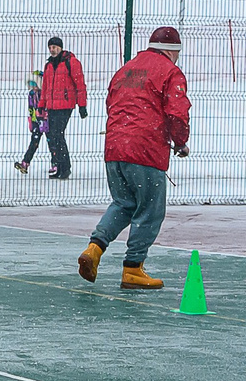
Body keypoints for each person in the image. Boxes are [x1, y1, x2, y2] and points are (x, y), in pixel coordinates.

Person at [78, 25, 189, 289]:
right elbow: (177, 111)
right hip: (145, 149)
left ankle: (94, 248)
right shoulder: (170, 72)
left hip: (115, 147)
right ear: (173, 51)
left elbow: (112, 103)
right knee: (150, 209)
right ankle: (133, 268)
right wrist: (181, 142)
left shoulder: (126, 70)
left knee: (123, 203)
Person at [35, 35, 88, 179]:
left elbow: (80, 85)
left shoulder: (71, 62)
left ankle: (65, 167)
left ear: (60, 47)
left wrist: (82, 105)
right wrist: (41, 105)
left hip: (65, 105)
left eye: (54, 47)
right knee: (54, 136)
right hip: (52, 105)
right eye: (50, 47)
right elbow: (45, 87)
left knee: (57, 135)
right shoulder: (49, 65)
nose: (52, 50)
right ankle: (60, 166)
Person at [13, 72, 47, 171]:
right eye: (31, 84)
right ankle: (25, 163)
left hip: (46, 121)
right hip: (36, 121)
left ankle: (56, 164)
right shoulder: (31, 94)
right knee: (34, 143)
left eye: (34, 84)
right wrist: (32, 122)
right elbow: (31, 109)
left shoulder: (44, 94)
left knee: (52, 144)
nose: (33, 87)